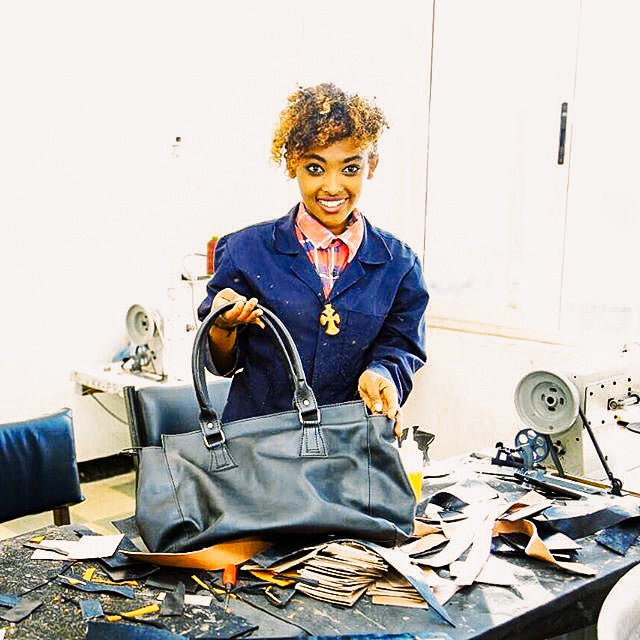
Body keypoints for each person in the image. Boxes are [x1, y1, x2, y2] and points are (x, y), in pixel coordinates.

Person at [197, 83, 428, 436]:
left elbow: (400, 347)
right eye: (316, 168)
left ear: (372, 165)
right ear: (294, 164)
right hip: (257, 449)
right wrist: (222, 326)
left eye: (350, 169)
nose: (333, 187)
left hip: (346, 448)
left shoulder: (399, 265)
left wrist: (383, 375)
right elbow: (221, 364)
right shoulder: (245, 250)